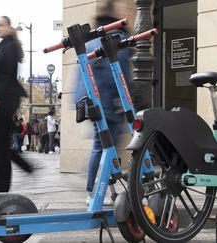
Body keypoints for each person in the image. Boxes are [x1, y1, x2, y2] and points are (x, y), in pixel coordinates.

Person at [74, 0, 133, 206]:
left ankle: (97, 190)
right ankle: (97, 191)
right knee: (107, 148)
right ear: (114, 15)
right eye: (121, 9)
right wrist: (121, 100)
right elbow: (117, 75)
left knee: (102, 147)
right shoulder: (117, 39)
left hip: (91, 101)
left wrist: (82, 102)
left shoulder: (91, 40)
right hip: (108, 101)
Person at [0, 16, 33, 196]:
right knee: (0, 143)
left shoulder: (9, 47)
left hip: (7, 98)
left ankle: (0, 187)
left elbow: (8, 76)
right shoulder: (4, 46)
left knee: (0, 144)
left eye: (1, 25)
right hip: (3, 97)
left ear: (9, 27)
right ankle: (1, 183)